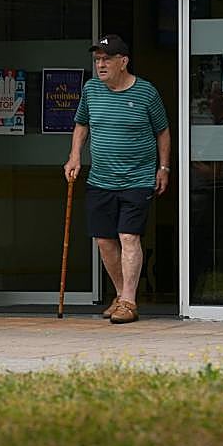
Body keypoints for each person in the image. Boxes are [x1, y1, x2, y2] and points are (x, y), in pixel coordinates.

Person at [64, 34, 170, 325]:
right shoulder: (91, 89)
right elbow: (81, 124)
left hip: (138, 178)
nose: (100, 64)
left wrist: (164, 168)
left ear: (123, 62)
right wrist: (74, 156)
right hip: (100, 179)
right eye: (97, 59)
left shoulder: (146, 92)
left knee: (128, 236)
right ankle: (122, 296)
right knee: (104, 240)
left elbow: (162, 131)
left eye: (107, 59)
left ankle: (129, 302)